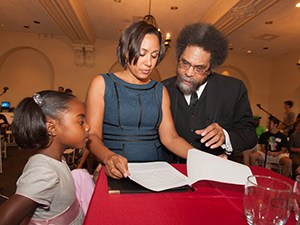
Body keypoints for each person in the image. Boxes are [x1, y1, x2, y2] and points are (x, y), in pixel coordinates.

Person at [85, 20, 195, 179]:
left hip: (155, 171)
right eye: (142, 54)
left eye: (154, 55)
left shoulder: (160, 90)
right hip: (116, 170)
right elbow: (93, 135)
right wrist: (108, 157)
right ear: (126, 51)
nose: (149, 63)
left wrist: (202, 158)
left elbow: (170, 137)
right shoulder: (102, 83)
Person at [162, 22, 257, 163]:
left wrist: (225, 135)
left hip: (217, 172)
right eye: (184, 63)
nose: (188, 73)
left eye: (199, 68)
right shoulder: (163, 88)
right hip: (174, 171)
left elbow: (250, 135)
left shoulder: (234, 89)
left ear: (210, 69)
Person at [0, 90, 93, 224]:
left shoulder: (56, 159)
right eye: (80, 122)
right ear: (52, 128)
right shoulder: (44, 171)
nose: (88, 127)